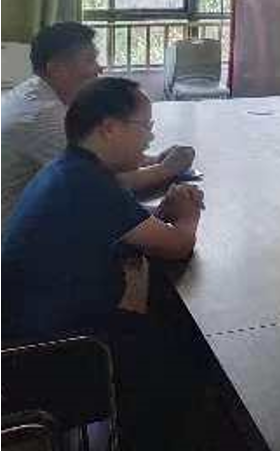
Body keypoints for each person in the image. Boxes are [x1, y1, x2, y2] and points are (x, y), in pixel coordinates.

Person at [2, 76, 206, 449]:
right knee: (187, 355)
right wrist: (189, 212)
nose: (149, 138)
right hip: (52, 352)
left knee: (166, 319)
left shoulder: (71, 169)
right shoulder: (89, 184)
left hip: (25, 332)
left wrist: (165, 211)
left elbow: (129, 227)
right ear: (109, 128)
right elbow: (178, 246)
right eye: (145, 126)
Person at [2, 23, 196, 225]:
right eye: (89, 60)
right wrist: (165, 170)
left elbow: (96, 160)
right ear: (56, 69)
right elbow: (98, 184)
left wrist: (152, 160)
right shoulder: (43, 114)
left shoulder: (38, 92)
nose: (99, 68)